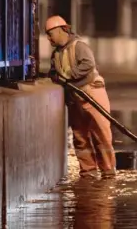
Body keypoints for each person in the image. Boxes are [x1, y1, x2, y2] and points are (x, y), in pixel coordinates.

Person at [45, 15, 116, 179]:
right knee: (80, 137)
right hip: (75, 97)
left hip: (92, 92)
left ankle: (108, 173)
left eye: (50, 34)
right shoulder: (56, 54)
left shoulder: (79, 47)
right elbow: (54, 72)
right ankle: (88, 172)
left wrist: (68, 76)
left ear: (61, 30)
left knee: (101, 134)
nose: (48, 38)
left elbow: (88, 64)